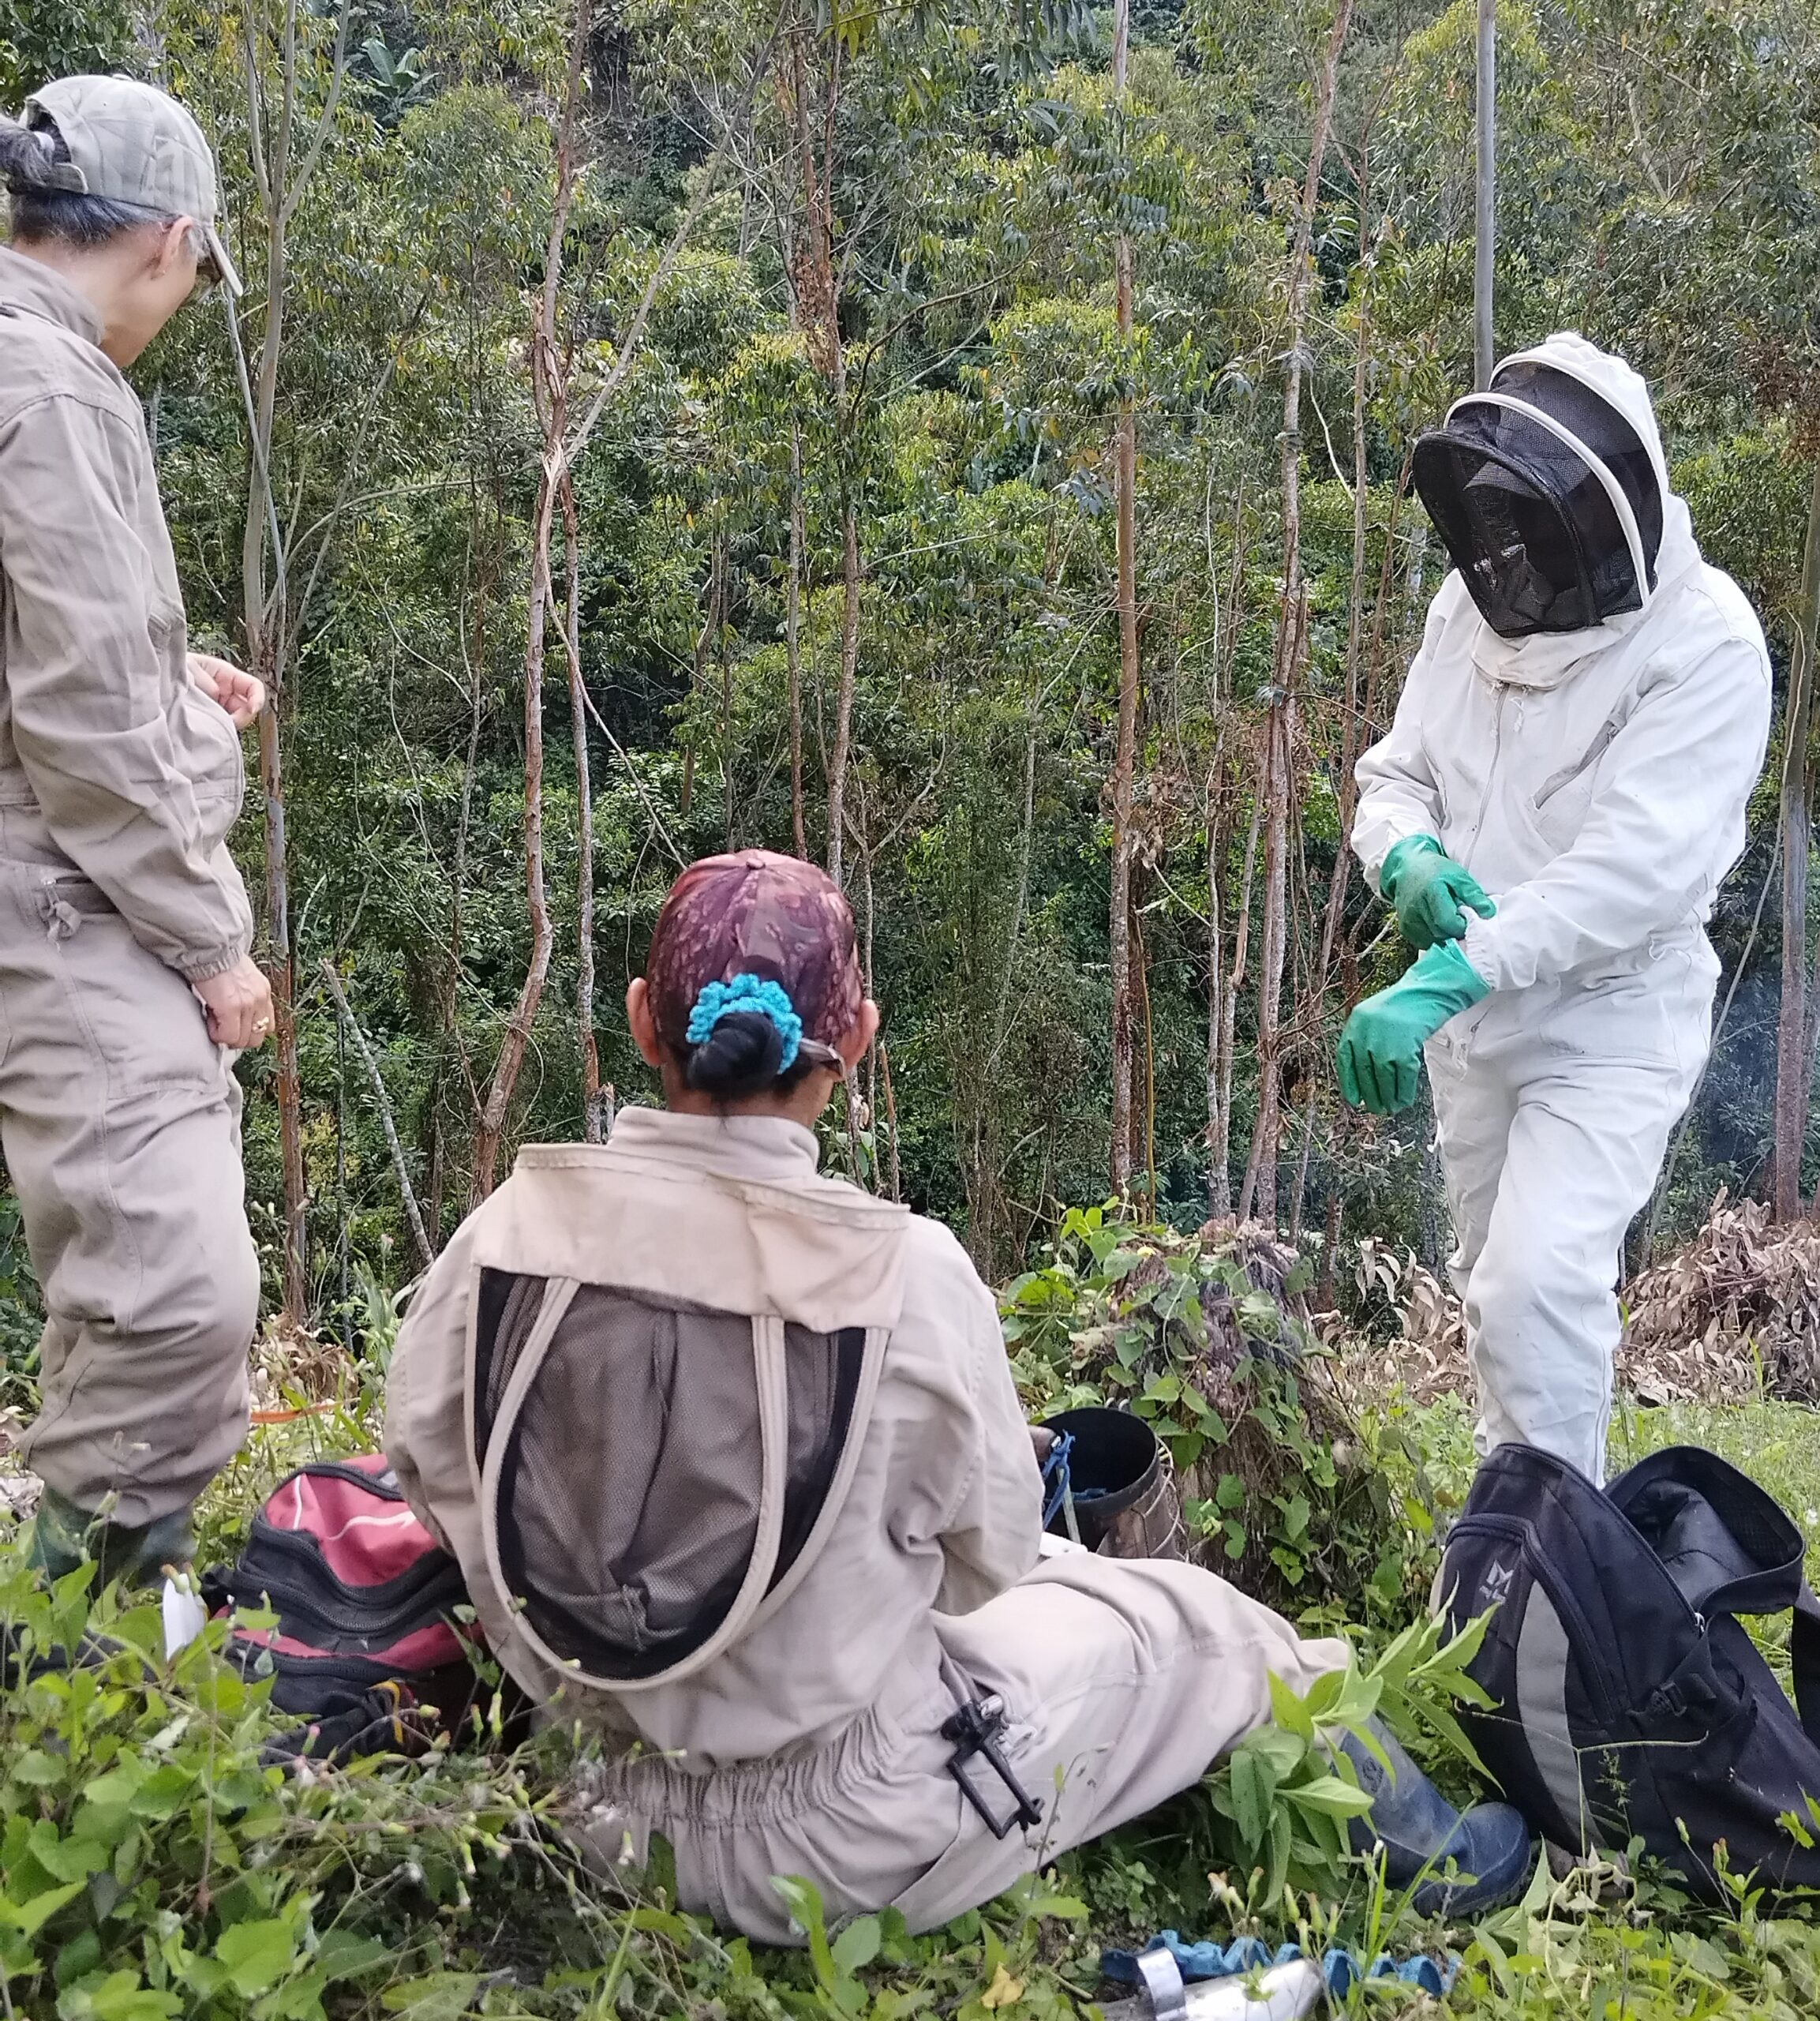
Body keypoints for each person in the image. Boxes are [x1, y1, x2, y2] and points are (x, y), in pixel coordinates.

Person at [386, 849, 1529, 1941]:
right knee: (1213, 1631)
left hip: (585, 1796)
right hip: (833, 1835)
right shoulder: (899, 1270)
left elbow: (432, 1476)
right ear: (858, 1043)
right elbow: (990, 1558)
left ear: (642, 1022)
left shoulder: (506, 1233)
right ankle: (1437, 1863)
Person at [1343, 333, 1772, 1483]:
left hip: (1604, 1022)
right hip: (1476, 1029)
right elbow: (1394, 774)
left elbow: (1632, 873)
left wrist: (1442, 974)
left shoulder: (1706, 645)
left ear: (1608, 509)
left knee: (1537, 1287)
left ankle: (1557, 1599)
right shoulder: (1473, 603)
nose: (1513, 567)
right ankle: (1516, 1552)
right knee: (1498, 1301)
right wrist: (1405, 858)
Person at [0, 76, 273, 1584]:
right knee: (175, 1298)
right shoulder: (49, 389)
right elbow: (90, 726)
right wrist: (210, 940)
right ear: (169, 244)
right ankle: (70, 1671)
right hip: (61, 897)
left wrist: (168, 674)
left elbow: (65, 659)